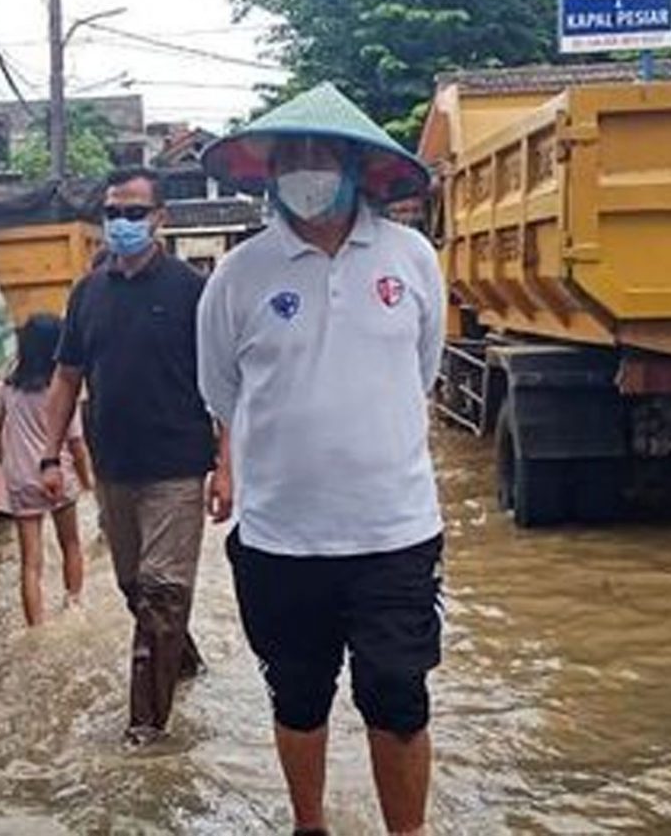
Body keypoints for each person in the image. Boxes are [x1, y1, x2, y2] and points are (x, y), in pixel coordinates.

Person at [197, 82, 446, 836]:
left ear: (355, 165)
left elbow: (421, 373)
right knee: (297, 697)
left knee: (399, 697)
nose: (305, 168)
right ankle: (311, 825)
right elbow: (223, 393)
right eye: (290, 155)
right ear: (268, 171)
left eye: (320, 153)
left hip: (395, 534)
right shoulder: (239, 276)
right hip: (281, 540)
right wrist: (229, 470)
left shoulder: (411, 259)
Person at [40, 166, 232, 745]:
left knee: (162, 592)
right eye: (113, 213)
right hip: (114, 468)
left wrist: (227, 463)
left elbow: (223, 382)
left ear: (160, 220)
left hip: (176, 467)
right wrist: (50, 457)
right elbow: (66, 377)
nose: (121, 223)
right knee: (133, 588)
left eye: (133, 213)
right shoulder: (87, 293)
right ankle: (184, 662)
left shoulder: (191, 292)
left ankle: (144, 733)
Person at [0, 313, 94, 627]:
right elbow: (76, 444)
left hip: (21, 479)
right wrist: (88, 482)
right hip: (59, 477)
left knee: (30, 562)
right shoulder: (61, 392)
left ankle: (36, 626)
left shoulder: (6, 390)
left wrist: (6, 463)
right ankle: (73, 604)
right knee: (71, 543)